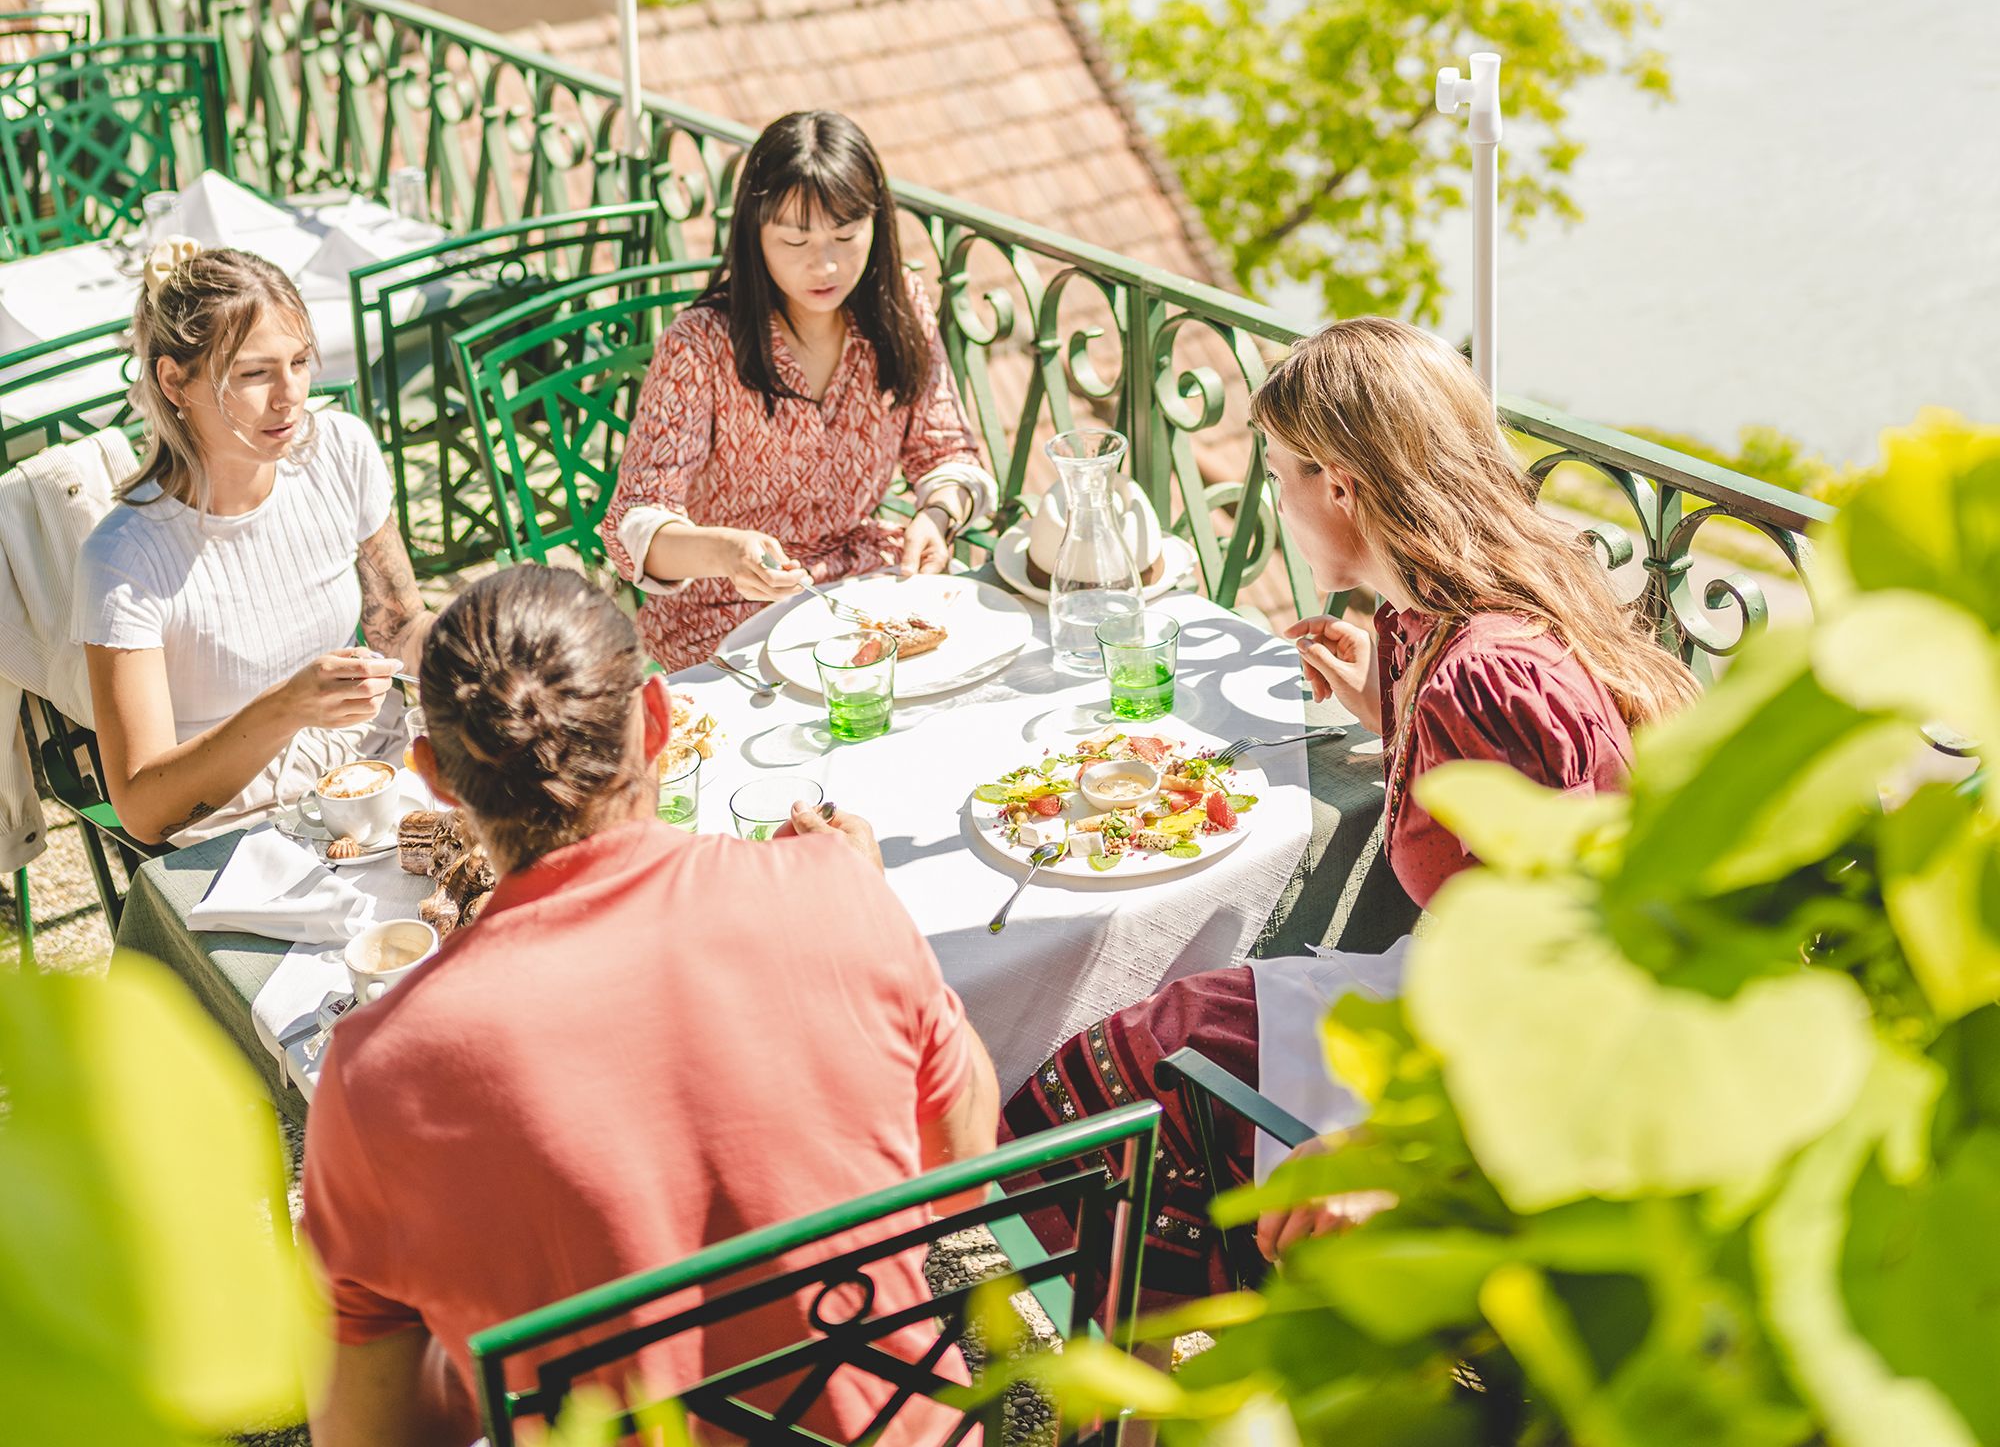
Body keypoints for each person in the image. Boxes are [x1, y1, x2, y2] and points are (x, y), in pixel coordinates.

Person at [1002, 316, 1693, 1293]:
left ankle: (1133, 1358)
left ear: (1340, 486)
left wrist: (1387, 1150)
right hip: (1457, 992)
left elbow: (1572, 968)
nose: (1274, 502)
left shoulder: (1483, 680)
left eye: (1278, 474)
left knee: (1132, 1078)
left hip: (1520, 1064)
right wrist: (1387, 702)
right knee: (1162, 1038)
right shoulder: (1444, 624)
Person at [303, 563, 1000, 1447]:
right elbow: (961, 1162)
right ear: (660, 721)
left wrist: (488, 1343)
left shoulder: (377, 1075)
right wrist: (862, 903)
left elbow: (374, 1433)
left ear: (434, 777)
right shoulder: (839, 890)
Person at [604, 110, 994, 672]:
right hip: (725, 613)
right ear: (755, 234)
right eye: (794, 240)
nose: (825, 264)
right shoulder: (700, 345)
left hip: (864, 595)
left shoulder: (898, 307)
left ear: (877, 223)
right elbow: (636, 522)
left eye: (846, 235)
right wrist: (727, 552)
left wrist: (937, 515)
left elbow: (948, 451)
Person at [79, 243, 429, 845]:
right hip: (238, 828)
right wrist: (286, 708)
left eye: (300, 361)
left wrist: (488, 638)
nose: (290, 394)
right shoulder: (125, 558)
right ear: (175, 382)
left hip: (377, 769)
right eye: (254, 373)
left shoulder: (339, 452)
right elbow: (143, 810)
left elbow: (398, 630)